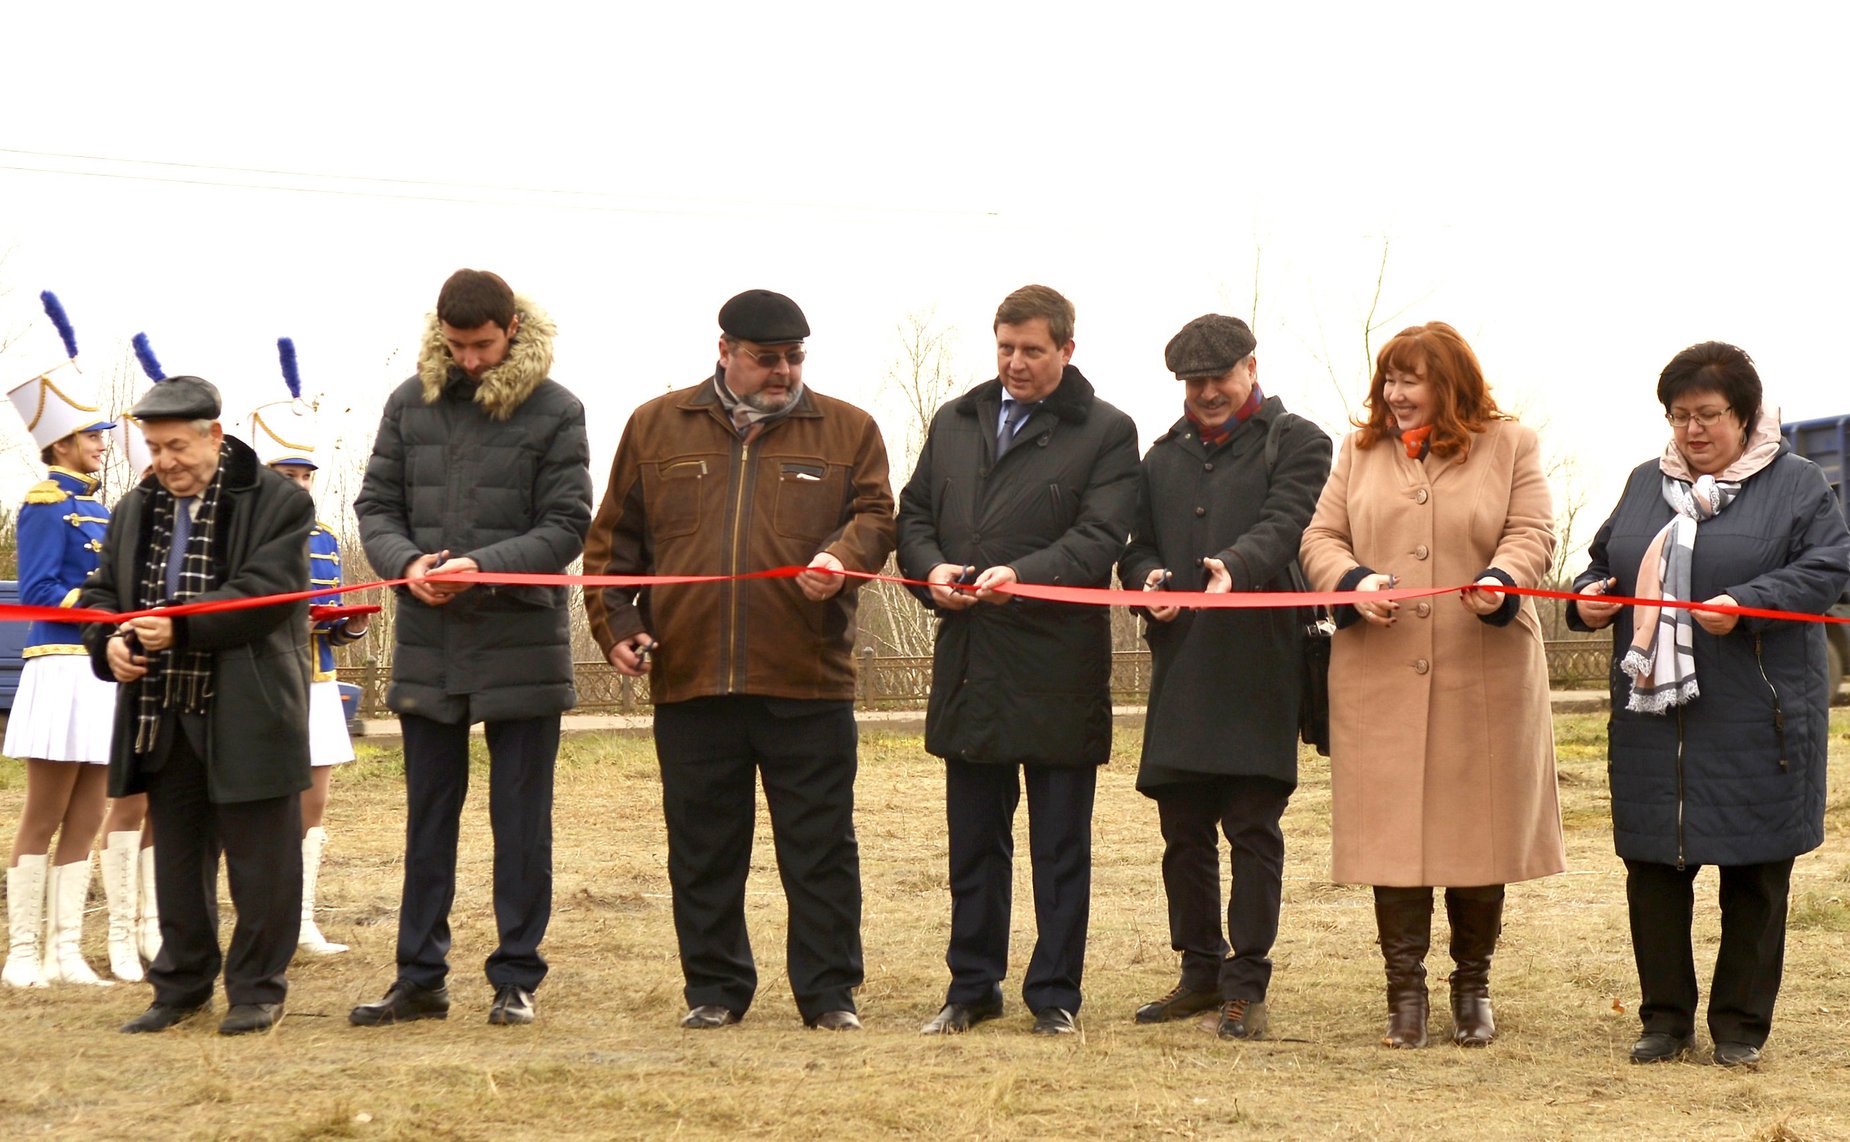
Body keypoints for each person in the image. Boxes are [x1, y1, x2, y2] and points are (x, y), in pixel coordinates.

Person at [583, 289, 896, 1030]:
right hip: (691, 677)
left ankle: (828, 995)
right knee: (702, 849)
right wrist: (618, 625)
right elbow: (613, 545)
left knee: (819, 849)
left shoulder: (849, 431)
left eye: (794, 358)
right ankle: (716, 990)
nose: (782, 371)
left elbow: (879, 517)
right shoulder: (655, 427)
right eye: (766, 358)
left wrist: (842, 558)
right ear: (725, 351)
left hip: (808, 679)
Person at [1568, 342, 1850, 1069]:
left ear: (1746, 415)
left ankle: (1740, 1027)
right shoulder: (1642, 484)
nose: (1693, 430)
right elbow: (1605, 561)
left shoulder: (1797, 486)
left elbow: (1827, 568)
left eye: (1709, 415)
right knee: (1654, 873)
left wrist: (1748, 603)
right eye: (1679, 416)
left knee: (1756, 876)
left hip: (1761, 716)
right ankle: (1664, 1020)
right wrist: (1591, 597)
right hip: (1651, 722)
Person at [1299, 321, 1564, 1049]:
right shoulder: (1357, 452)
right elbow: (1320, 539)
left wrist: (1501, 579)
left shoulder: (1512, 444)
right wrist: (1351, 583)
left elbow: (1532, 530)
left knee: (1477, 829)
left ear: (1449, 385)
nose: (1395, 393)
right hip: (1380, 672)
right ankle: (1404, 993)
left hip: (1484, 671)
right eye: (1389, 379)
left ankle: (1472, 987)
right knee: (1395, 835)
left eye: (1410, 379)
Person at [350, 269, 591, 1028]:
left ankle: (515, 978)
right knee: (429, 820)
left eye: (482, 345)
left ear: (511, 329)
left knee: (521, 823)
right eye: (457, 346)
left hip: (521, 639)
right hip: (430, 641)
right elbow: (375, 507)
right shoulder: (407, 403)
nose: (471, 360)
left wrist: (481, 567)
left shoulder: (558, 411)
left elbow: (567, 525)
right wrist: (407, 565)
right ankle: (419, 977)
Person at [897, 284, 1139, 1036]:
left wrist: (1021, 577)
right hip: (970, 660)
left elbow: (1102, 537)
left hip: (1057, 669)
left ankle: (1055, 994)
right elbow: (914, 517)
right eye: (1006, 347)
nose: (1016, 363)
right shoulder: (956, 420)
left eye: (1033, 349)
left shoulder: (1106, 431)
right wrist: (931, 571)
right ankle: (971, 986)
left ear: (1067, 349)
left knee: (1060, 847)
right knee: (974, 841)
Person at [80, 375, 316, 1036]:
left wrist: (180, 624)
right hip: (160, 711)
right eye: (154, 447)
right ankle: (180, 987)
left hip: (251, 705)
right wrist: (110, 644)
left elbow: (266, 592)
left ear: (214, 435)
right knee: (177, 861)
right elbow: (101, 591)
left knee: (262, 864)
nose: (165, 461)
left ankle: (257, 990)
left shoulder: (277, 502)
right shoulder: (134, 508)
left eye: (177, 445)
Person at [1119, 314, 1331, 1039]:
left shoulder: (1297, 440)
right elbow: (1137, 540)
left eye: (1219, 376)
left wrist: (1234, 565)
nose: (1207, 392)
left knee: (1251, 826)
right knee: (1182, 829)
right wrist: (1146, 574)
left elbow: (1288, 519)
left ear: (1250, 367)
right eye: (1193, 381)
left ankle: (1247, 981)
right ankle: (1200, 972)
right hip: (1182, 663)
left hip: (1261, 663)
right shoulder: (1162, 455)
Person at [247, 341, 369, 958]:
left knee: (314, 799)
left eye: (304, 476)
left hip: (319, 679)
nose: (298, 485)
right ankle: (258, 917)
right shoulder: (242, 537)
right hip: (263, 681)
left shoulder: (323, 537)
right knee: (259, 802)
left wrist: (348, 626)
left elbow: (332, 606)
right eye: (286, 476)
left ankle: (300, 917)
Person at [3, 368, 120, 987]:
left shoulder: (99, 507)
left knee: (89, 812)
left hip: (101, 671)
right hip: (60, 667)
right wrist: (104, 607)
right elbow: (42, 590)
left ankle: (65, 948)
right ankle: (23, 950)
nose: (102, 444)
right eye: (92, 435)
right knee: (44, 812)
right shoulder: (45, 503)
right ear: (62, 442)